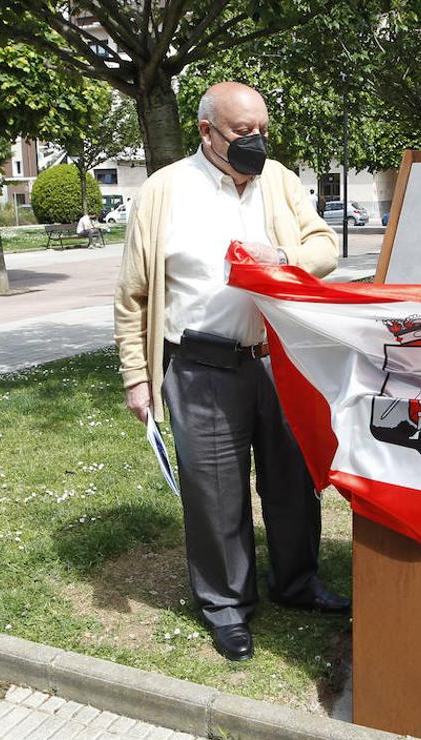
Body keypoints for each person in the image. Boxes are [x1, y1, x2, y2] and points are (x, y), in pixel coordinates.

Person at [114, 81, 349, 662]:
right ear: (206, 131)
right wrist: (137, 376)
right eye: (243, 131)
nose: (256, 141)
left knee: (293, 481)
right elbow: (133, 294)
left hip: (278, 361)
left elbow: (325, 246)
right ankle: (227, 605)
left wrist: (286, 258)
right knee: (214, 495)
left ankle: (295, 583)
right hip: (200, 367)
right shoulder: (164, 192)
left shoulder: (280, 181)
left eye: (263, 130)